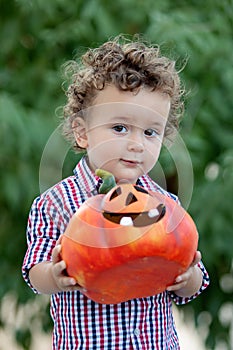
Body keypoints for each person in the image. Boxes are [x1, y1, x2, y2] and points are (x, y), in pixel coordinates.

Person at [22, 35, 209, 349]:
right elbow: (34, 273)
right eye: (120, 128)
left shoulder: (167, 207)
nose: (137, 143)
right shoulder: (55, 204)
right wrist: (56, 276)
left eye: (150, 132)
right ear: (83, 132)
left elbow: (194, 283)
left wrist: (187, 278)